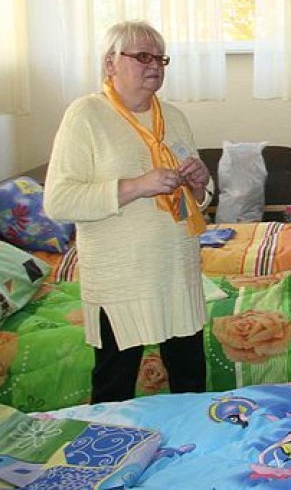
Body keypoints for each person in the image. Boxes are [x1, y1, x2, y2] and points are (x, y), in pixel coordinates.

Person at [44, 20, 213, 403]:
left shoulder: (173, 116)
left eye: (160, 58)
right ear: (109, 63)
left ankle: (191, 457)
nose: (154, 65)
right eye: (141, 56)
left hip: (176, 274)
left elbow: (197, 200)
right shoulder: (85, 114)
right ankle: (110, 460)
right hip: (121, 284)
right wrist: (137, 186)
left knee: (190, 381)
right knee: (114, 388)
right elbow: (58, 200)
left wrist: (201, 183)